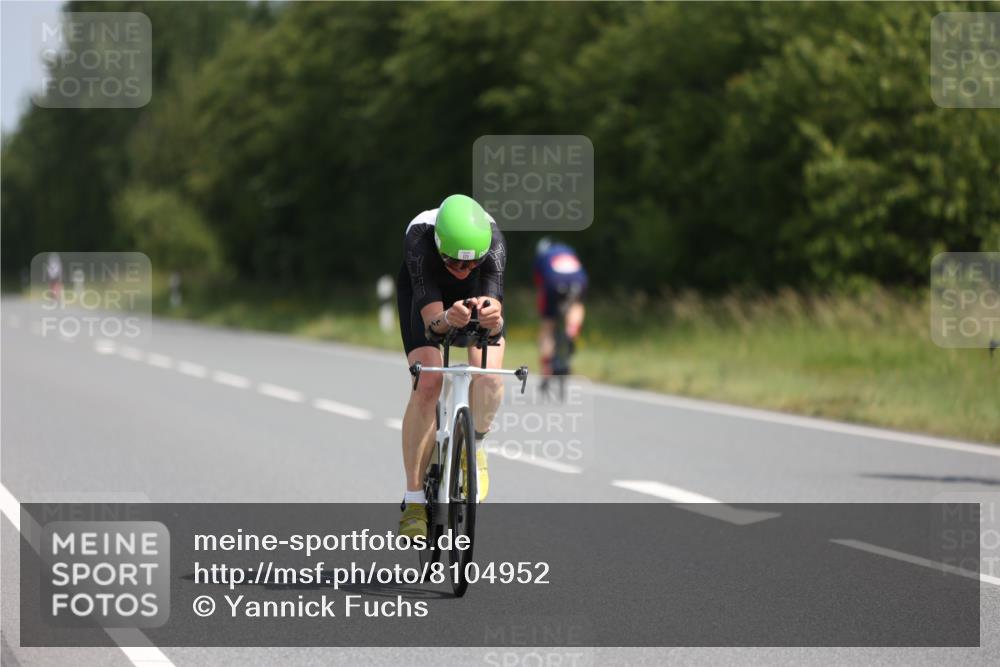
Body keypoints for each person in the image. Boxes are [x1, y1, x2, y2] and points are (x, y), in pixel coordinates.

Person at [396, 195, 507, 539]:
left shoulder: (494, 245)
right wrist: (447, 317)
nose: (461, 270)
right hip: (427, 299)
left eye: (471, 264)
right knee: (427, 381)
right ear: (439, 246)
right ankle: (414, 500)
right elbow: (433, 326)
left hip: (473, 297)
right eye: (453, 262)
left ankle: (475, 446)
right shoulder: (420, 239)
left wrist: (493, 320)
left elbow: (496, 325)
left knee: (488, 375)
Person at [534, 238, 587, 378]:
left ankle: (546, 365)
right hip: (578, 279)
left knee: (548, 326)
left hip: (553, 280)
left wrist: (544, 312)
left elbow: (541, 287)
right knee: (577, 305)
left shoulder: (542, 256)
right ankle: (571, 332)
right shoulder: (568, 249)